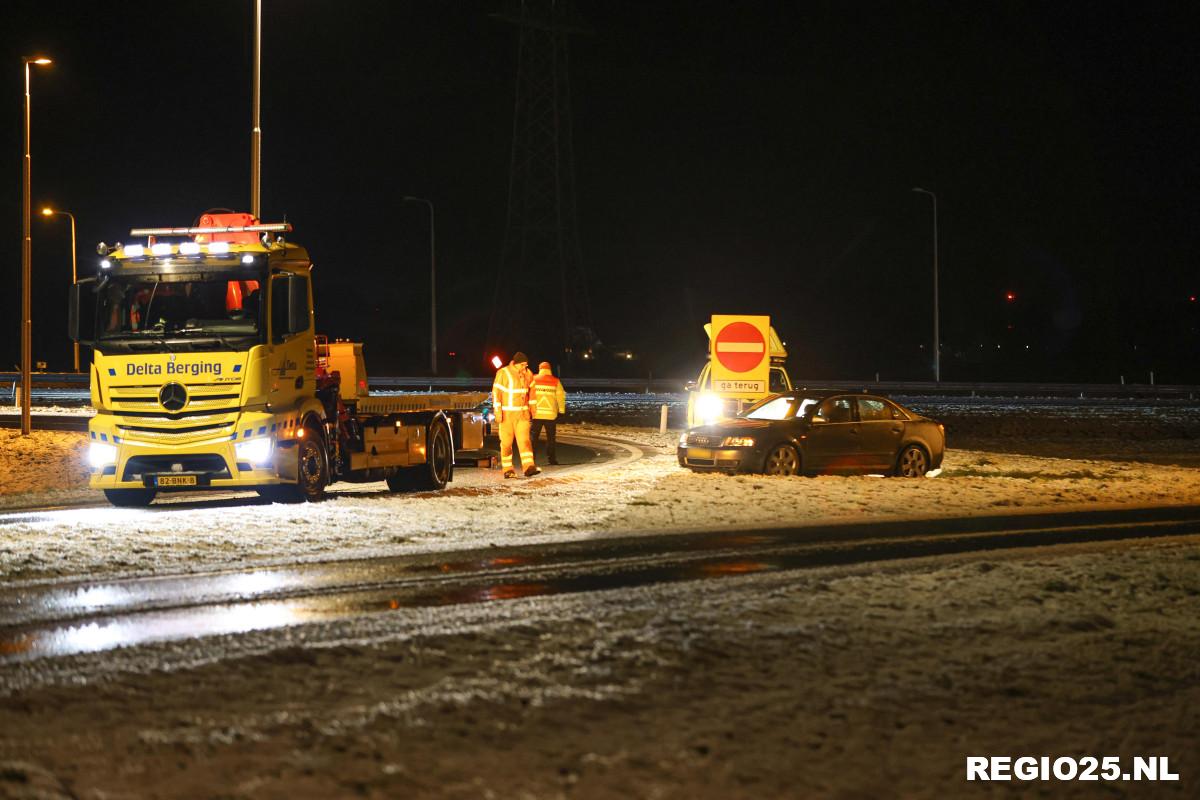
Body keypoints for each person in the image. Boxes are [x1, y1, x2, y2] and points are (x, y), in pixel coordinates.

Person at [492, 352, 540, 478]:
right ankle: (508, 469)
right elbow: (496, 393)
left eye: (526, 365)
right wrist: (497, 412)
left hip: (522, 414)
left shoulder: (528, 374)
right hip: (507, 415)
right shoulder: (503, 373)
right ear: (516, 363)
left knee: (525, 441)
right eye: (523, 365)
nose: (524, 367)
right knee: (506, 443)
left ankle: (529, 467)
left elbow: (532, 394)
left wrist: (533, 410)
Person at [529, 361, 567, 465]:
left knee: (533, 438)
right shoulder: (555, 381)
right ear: (550, 369)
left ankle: (531, 459)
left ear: (540, 369)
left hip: (536, 414)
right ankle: (552, 459)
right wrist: (562, 411)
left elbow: (528, 395)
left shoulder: (533, 379)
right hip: (550, 415)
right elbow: (561, 397)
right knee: (551, 438)